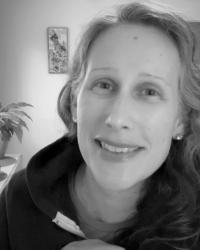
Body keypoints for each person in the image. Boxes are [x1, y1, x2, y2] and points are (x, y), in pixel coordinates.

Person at [1, 1, 200, 249]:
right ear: (75, 103)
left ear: (180, 121)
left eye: (149, 91)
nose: (117, 119)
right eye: (104, 85)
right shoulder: (16, 199)